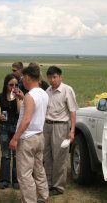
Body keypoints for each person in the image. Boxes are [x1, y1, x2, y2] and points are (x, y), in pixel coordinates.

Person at [9, 66, 49, 203]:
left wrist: (15, 138)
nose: (22, 81)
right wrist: (23, 98)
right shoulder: (44, 94)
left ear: (27, 77)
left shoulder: (30, 96)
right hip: (39, 136)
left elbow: (26, 120)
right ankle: (44, 197)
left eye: (22, 78)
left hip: (27, 138)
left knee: (25, 175)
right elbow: (37, 111)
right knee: (39, 170)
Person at [43, 66, 78, 196]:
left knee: (59, 157)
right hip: (47, 126)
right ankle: (48, 183)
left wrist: (72, 130)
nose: (52, 80)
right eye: (50, 77)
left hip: (61, 126)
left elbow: (73, 111)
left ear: (60, 77)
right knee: (47, 156)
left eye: (54, 77)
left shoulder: (67, 90)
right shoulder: (47, 91)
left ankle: (58, 186)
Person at [0, 73, 22, 190]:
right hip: (4, 127)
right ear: (6, 85)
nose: (13, 87)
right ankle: (4, 180)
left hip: (16, 127)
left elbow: (20, 112)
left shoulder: (19, 96)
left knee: (16, 155)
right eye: (11, 85)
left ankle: (16, 180)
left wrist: (18, 99)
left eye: (16, 85)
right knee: (5, 154)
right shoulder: (0, 97)